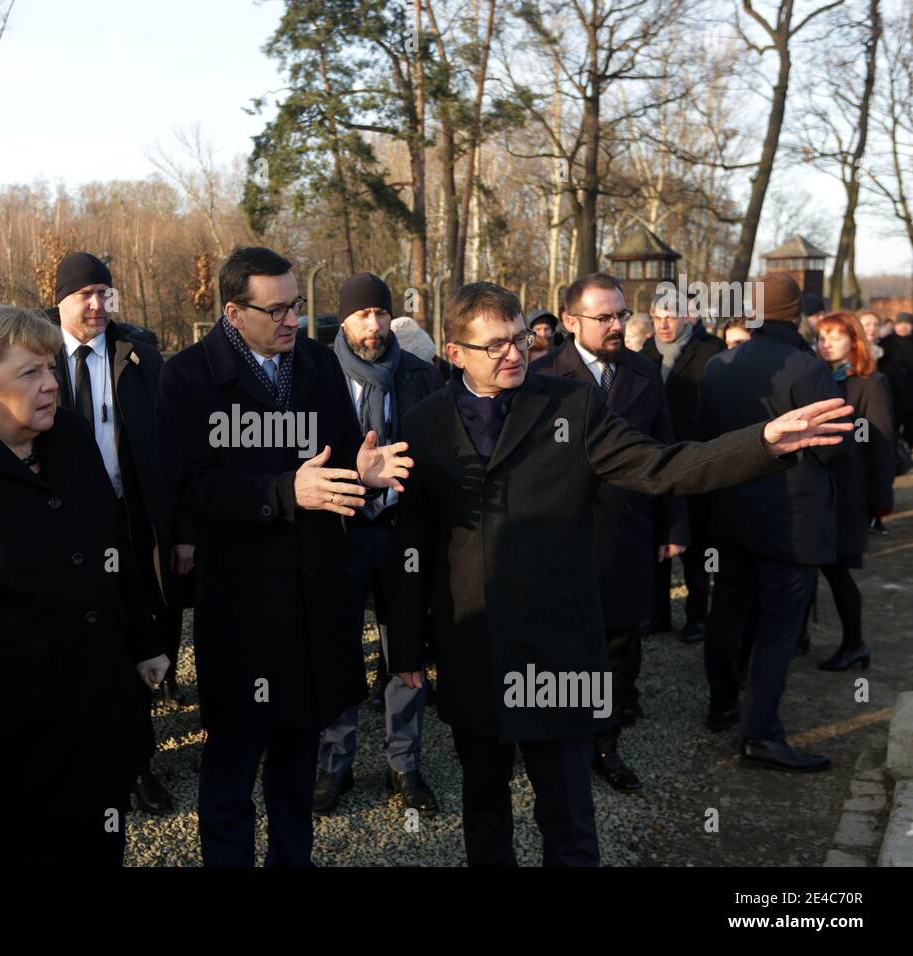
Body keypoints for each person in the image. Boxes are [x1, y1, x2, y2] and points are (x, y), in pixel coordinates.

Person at [388, 279, 850, 865]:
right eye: (495, 346)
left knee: (569, 817)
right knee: (484, 813)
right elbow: (413, 545)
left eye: (519, 343)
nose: (513, 355)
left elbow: (662, 465)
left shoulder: (570, 405)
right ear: (454, 353)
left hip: (556, 648)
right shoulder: (424, 422)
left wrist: (763, 441)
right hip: (473, 651)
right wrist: (406, 647)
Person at [157, 246, 411, 866]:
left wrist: (364, 473)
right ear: (233, 312)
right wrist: (282, 491)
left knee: (297, 774)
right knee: (232, 775)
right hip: (242, 606)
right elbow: (188, 485)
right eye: (274, 310)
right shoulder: (187, 376)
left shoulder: (319, 365)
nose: (290, 320)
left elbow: (345, 456)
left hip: (316, 597)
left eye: (294, 306)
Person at [0, 304, 168, 865]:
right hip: (6, 731)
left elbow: (111, 546)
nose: (51, 385)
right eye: (30, 373)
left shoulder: (67, 436)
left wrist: (143, 641)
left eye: (50, 369)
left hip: (92, 708)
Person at [532, 273, 688, 793]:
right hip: (559, 535)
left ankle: (606, 745)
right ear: (572, 321)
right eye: (605, 317)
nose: (617, 325)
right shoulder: (541, 373)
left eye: (621, 314)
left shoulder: (645, 372)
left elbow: (665, 447)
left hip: (626, 531)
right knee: (559, 643)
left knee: (620, 644)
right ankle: (555, 740)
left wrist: (672, 524)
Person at [49, 251, 186, 815]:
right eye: (86, 294)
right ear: (60, 300)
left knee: (140, 632)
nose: (98, 303)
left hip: (132, 519)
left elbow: (173, 451)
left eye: (105, 292)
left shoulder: (141, 359)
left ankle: (137, 762)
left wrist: (179, 531)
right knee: (78, 639)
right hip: (60, 524)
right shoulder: (34, 355)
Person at [698, 274, 853, 771]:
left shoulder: (719, 365)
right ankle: (760, 734)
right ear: (796, 314)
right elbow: (836, 449)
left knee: (727, 612)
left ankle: (723, 705)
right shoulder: (807, 370)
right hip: (791, 522)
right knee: (777, 630)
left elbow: (701, 441)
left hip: (730, 516)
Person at [314, 273, 442, 816]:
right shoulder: (317, 376)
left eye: (382, 313)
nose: (374, 324)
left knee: (405, 651)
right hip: (339, 533)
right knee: (337, 647)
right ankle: (333, 762)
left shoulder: (421, 375)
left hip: (402, 534)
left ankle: (404, 764)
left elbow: (439, 457)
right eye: (363, 314)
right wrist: (354, 475)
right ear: (344, 320)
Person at [641, 291, 726, 643]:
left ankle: (698, 615)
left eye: (671, 315)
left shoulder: (711, 351)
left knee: (698, 542)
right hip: (653, 459)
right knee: (655, 539)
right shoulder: (643, 352)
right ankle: (656, 613)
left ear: (687, 317)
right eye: (658, 315)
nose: (663, 323)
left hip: (696, 458)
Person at [814, 312, 896, 670]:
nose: (826, 343)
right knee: (807, 563)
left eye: (834, 336)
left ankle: (854, 642)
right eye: (821, 336)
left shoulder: (871, 383)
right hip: (815, 493)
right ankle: (800, 637)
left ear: (854, 340)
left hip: (848, 495)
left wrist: (880, 501)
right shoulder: (815, 379)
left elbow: (881, 444)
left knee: (835, 568)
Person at [878, 312, 913, 443]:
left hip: (910, 392)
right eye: (900, 323)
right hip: (891, 389)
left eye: (907, 323)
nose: (903, 327)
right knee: (892, 424)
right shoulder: (886, 342)